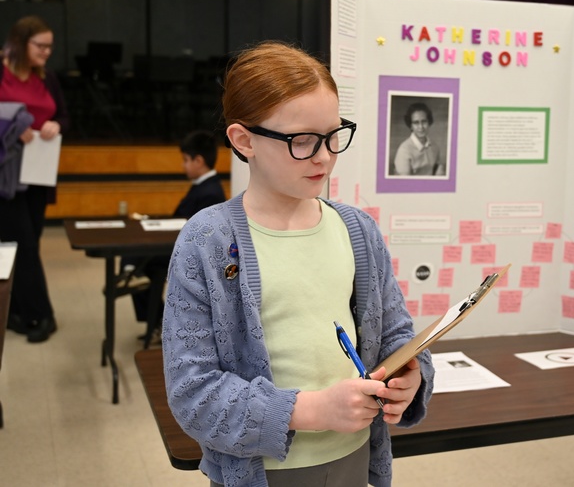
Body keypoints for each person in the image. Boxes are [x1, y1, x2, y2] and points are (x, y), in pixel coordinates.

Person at [163, 42, 434, 487]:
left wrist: (411, 373)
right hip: (263, 471)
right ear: (243, 140)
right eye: (302, 141)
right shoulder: (207, 240)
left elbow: (396, 332)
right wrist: (311, 410)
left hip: (353, 453)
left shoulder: (357, 230)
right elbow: (193, 392)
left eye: (333, 135)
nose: (324, 156)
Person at [0, 15, 68, 343]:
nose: (46, 52)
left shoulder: (47, 77)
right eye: (40, 46)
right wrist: (13, 129)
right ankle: (42, 315)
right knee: (21, 244)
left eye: (49, 47)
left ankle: (15, 310)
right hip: (7, 174)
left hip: (39, 171)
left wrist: (56, 124)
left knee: (27, 244)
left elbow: (63, 115)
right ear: (20, 42)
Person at [121, 129, 226, 339]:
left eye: (185, 160)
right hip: (178, 244)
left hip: (188, 253)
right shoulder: (204, 187)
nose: (182, 165)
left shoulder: (210, 192)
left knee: (138, 254)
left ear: (199, 161)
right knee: (137, 253)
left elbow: (195, 230)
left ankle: (131, 276)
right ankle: (137, 286)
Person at [393, 101, 445, 176]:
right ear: (411, 126)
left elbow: (439, 175)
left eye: (424, 121)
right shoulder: (404, 150)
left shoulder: (435, 147)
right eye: (416, 123)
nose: (421, 127)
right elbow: (404, 182)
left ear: (429, 122)